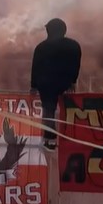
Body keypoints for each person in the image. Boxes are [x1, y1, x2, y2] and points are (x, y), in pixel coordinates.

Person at [30, 18, 82, 150]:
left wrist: (34, 86)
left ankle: (50, 141)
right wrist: (72, 82)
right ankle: (70, 139)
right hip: (66, 84)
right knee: (69, 112)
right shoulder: (74, 46)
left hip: (46, 85)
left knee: (48, 111)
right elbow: (76, 66)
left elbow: (36, 67)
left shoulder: (41, 47)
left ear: (49, 30)